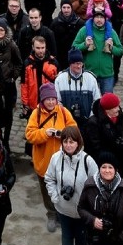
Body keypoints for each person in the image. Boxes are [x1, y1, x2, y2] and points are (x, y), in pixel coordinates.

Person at [44, 126, 97, 245]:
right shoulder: (56, 158)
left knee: (81, 241)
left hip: (82, 213)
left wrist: (88, 204)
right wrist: (55, 197)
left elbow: (95, 185)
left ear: (78, 142)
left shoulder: (88, 161)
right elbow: (49, 178)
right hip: (63, 210)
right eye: (66, 142)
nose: (68, 145)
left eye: (72, 142)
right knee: (66, 240)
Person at [26, 83, 78, 231]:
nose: (50, 102)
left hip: (63, 161)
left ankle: (62, 212)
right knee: (47, 189)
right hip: (44, 162)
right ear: (42, 100)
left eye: (53, 99)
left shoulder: (63, 111)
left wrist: (62, 133)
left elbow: (74, 129)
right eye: (47, 99)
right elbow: (29, 135)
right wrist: (44, 133)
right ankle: (51, 213)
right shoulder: (35, 114)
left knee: (63, 187)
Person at [72, 10, 122, 94]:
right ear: (93, 18)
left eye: (102, 17)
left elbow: (120, 51)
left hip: (107, 74)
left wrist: (111, 48)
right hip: (89, 73)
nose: (99, 20)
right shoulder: (84, 30)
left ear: (105, 19)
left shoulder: (111, 32)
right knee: (89, 101)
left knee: (107, 103)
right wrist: (85, 44)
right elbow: (74, 47)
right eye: (97, 17)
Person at [84, 93, 123, 180]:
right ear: (107, 110)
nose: (118, 109)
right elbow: (95, 147)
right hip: (105, 163)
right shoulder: (93, 123)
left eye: (118, 106)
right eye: (115, 107)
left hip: (122, 162)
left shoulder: (121, 117)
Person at [54, 49, 101, 131]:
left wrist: (91, 117)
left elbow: (97, 101)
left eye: (80, 63)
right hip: (66, 123)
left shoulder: (90, 78)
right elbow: (57, 102)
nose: (79, 66)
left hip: (87, 122)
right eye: (76, 63)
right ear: (70, 64)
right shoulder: (60, 79)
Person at [50, 0, 83, 69]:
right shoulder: (55, 23)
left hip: (75, 56)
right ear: (61, 8)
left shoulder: (79, 23)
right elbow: (52, 41)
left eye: (68, 7)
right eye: (64, 7)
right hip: (60, 57)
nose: (66, 10)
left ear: (71, 8)